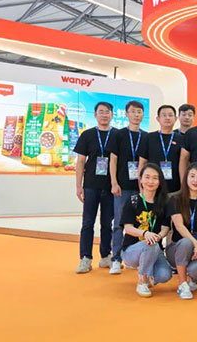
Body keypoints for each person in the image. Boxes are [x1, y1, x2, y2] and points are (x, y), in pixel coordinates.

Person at [74, 102, 117, 274]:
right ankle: (85, 258)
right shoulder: (87, 135)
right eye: (101, 112)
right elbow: (80, 162)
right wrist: (79, 186)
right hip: (91, 186)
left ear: (112, 115)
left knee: (107, 223)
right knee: (87, 223)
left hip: (111, 187)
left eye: (107, 112)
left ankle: (106, 256)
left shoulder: (117, 135)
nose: (104, 115)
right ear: (95, 114)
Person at [119, 163, 172, 297]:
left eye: (155, 178)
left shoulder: (163, 203)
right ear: (141, 179)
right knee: (149, 244)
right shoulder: (133, 201)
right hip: (131, 250)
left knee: (165, 275)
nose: (150, 181)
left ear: (159, 181)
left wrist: (159, 236)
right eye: (147, 177)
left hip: (155, 249)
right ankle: (142, 281)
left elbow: (166, 227)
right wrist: (145, 233)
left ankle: (147, 269)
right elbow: (128, 228)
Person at [108, 100, 148, 274]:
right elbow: (113, 160)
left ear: (143, 115)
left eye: (139, 112)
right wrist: (114, 182)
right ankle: (116, 259)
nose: (136, 115)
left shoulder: (146, 136)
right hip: (122, 187)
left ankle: (135, 258)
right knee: (119, 223)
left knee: (141, 223)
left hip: (142, 188)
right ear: (126, 114)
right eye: (133, 112)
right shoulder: (118, 134)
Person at [165, 163, 197, 299]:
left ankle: (193, 280)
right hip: (177, 247)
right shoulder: (175, 199)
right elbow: (179, 226)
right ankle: (182, 283)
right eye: (192, 176)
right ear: (186, 178)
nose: (195, 180)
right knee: (186, 242)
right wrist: (196, 244)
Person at [139, 105, 183, 195]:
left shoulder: (181, 139)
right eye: (164, 115)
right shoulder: (149, 137)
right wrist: (141, 186)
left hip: (175, 188)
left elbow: (184, 164)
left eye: (170, 115)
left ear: (176, 119)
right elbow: (142, 163)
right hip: (152, 187)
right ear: (158, 118)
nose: (167, 118)